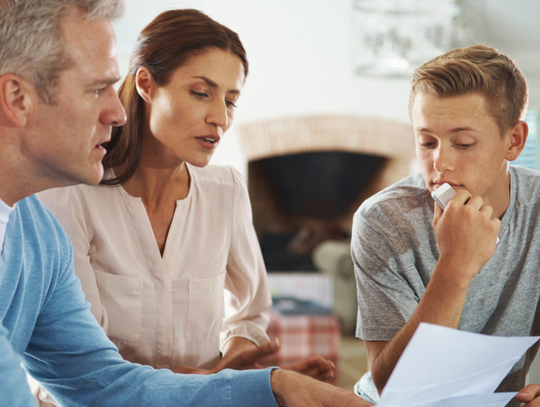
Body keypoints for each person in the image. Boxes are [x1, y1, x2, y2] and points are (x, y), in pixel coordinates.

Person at [0, 0, 372, 406]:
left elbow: (100, 380)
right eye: (95, 89)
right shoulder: (61, 204)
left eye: (230, 100)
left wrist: (268, 385)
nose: (116, 112)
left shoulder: (35, 235)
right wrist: (230, 383)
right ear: (17, 98)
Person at [352, 43, 540, 407]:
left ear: (513, 140)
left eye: (464, 143)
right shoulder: (381, 221)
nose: (440, 162)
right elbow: (398, 389)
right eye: (427, 142)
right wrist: (455, 265)